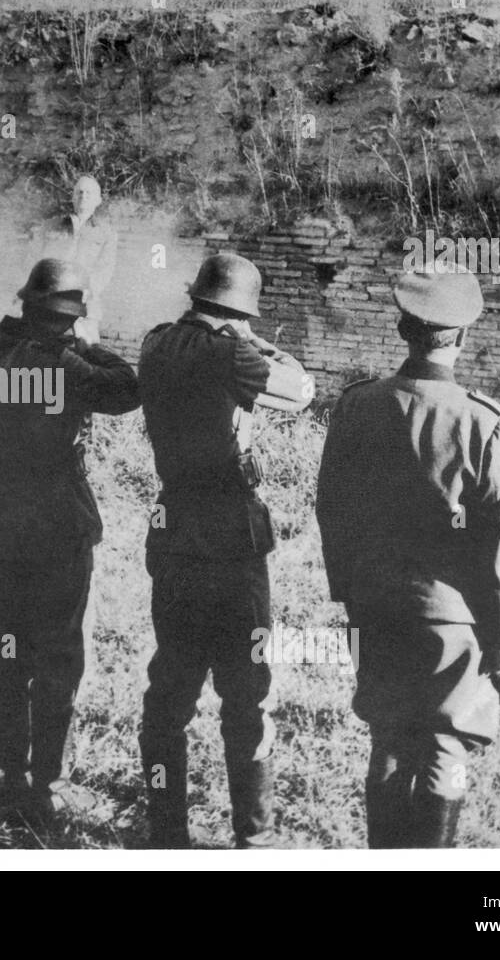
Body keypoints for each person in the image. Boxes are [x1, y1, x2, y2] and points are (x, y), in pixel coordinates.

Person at [315, 266, 500, 848]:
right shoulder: (483, 421)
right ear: (462, 337)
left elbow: (332, 508)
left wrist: (351, 593)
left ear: (402, 326)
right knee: (445, 746)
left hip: (375, 606)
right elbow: (498, 541)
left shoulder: (356, 407)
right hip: (453, 622)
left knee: (388, 735)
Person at [138, 252, 314, 848]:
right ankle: (255, 837)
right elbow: (301, 392)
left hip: (175, 528)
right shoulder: (235, 353)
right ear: (240, 312)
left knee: (171, 690)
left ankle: (167, 834)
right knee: (246, 691)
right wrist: (258, 342)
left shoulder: (156, 343)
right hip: (232, 538)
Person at [0, 258, 140, 818]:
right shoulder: (66, 362)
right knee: (58, 649)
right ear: (68, 317)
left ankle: (12, 771)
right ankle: (49, 782)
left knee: (8, 643)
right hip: (56, 518)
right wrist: (89, 345)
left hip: (4, 510)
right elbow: (128, 391)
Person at [32, 176, 117, 344]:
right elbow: (35, 259)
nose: (83, 196)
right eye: (79, 192)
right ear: (72, 197)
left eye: (89, 193)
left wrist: (87, 292)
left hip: (85, 303)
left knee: (87, 351)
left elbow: (104, 269)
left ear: (98, 200)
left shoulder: (106, 232)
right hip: (51, 300)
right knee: (40, 350)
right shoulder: (51, 225)